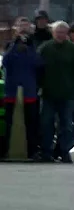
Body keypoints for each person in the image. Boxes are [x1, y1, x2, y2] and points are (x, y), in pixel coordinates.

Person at [37, 21, 74, 163]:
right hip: (48, 93)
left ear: (67, 34)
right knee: (46, 123)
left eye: (63, 32)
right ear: (53, 33)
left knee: (66, 125)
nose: (60, 35)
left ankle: (65, 152)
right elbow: (37, 67)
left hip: (68, 94)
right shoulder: (45, 48)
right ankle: (46, 152)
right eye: (58, 32)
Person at [1, 17, 44, 159]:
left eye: (26, 27)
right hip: (11, 90)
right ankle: (4, 150)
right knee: (8, 122)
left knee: (31, 122)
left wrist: (29, 48)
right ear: (16, 28)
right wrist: (15, 45)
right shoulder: (10, 45)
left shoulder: (34, 44)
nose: (23, 30)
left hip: (29, 90)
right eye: (21, 27)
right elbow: (5, 62)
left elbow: (38, 63)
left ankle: (32, 151)